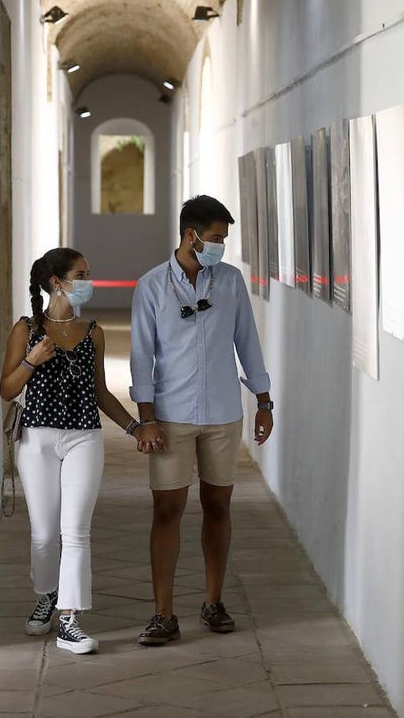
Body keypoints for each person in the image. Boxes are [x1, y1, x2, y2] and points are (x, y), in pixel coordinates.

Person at [130, 195, 273, 646]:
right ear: (190, 235)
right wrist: (145, 419)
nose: (221, 247)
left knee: (218, 505)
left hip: (223, 413)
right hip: (171, 416)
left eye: (224, 240)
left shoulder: (229, 283)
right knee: (167, 510)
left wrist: (264, 400)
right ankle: (163, 613)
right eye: (215, 239)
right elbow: (140, 357)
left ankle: (213, 601)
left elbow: (247, 341)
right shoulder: (152, 286)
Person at [0, 247, 148, 655]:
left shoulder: (93, 331)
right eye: (81, 274)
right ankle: (47, 594)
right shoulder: (27, 329)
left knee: (76, 531)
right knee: (45, 534)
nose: (88, 280)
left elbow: (101, 391)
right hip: (38, 441)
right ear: (57, 283)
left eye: (88, 273)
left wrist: (135, 426)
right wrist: (32, 360)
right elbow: (7, 389)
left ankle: (69, 619)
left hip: (84, 437)